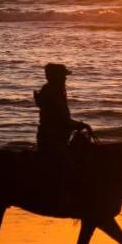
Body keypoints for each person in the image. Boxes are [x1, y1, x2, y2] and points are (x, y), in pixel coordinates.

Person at [33, 62, 91, 211]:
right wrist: (81, 125)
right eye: (63, 76)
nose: (66, 79)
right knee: (68, 167)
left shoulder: (53, 91)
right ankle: (62, 200)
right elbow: (63, 120)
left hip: (54, 137)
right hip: (52, 140)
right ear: (56, 77)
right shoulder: (53, 94)